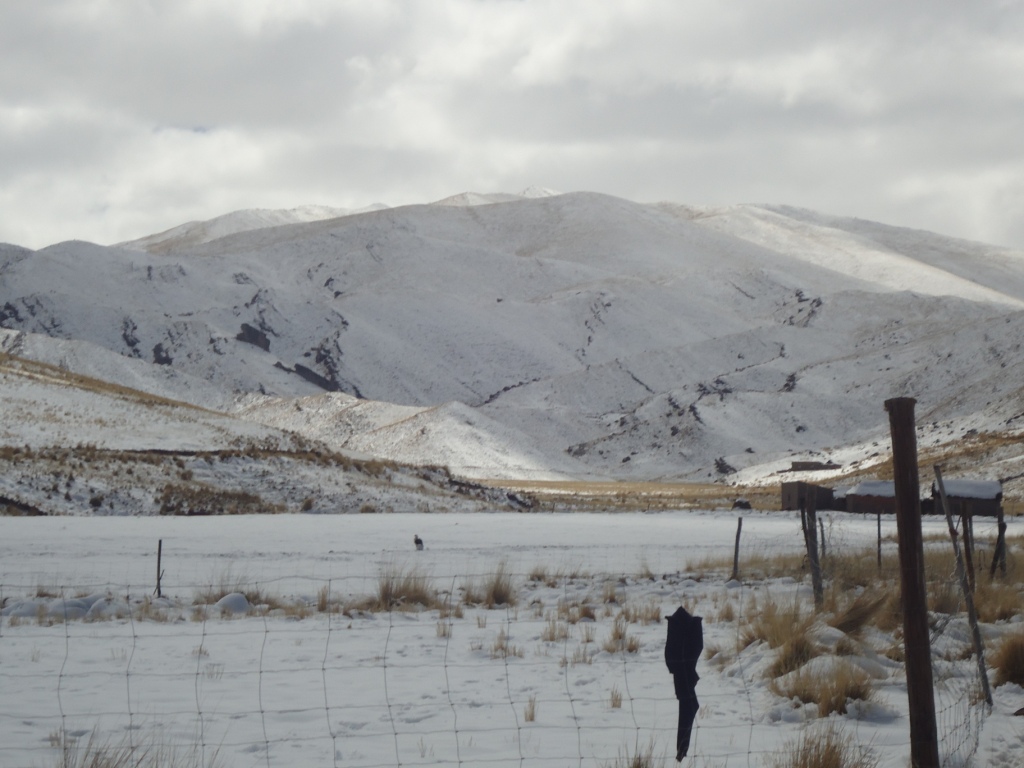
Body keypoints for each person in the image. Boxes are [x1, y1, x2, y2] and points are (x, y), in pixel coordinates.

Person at [665, 606, 703, 762]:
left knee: (689, 705)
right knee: (689, 705)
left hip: (683, 670)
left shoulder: (678, 637)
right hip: (683, 671)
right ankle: (682, 751)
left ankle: (682, 750)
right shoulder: (680, 636)